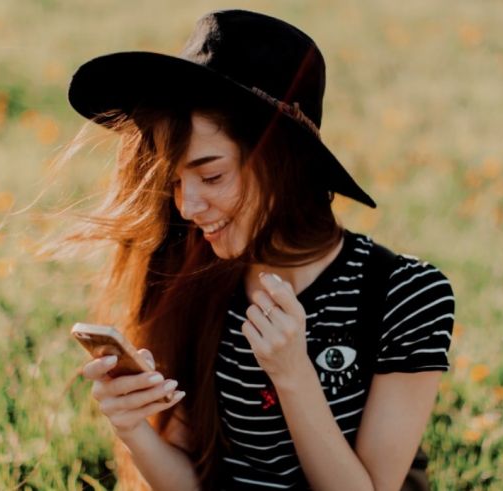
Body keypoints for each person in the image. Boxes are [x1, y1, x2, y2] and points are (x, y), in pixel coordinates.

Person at [66, 9, 455, 491]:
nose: (187, 207)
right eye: (176, 183)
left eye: (212, 176)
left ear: (282, 160)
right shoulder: (197, 279)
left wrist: (292, 374)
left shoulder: (405, 294)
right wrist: (132, 429)